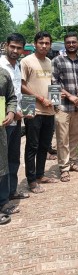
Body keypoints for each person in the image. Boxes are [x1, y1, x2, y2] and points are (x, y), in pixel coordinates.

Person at [21, 31, 56, 193]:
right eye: (41, 43)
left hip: (48, 110)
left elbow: (50, 84)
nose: (44, 46)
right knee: (32, 145)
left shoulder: (49, 62)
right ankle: (31, 180)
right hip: (31, 107)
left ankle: (40, 175)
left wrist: (55, 102)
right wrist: (41, 99)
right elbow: (22, 85)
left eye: (47, 43)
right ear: (35, 44)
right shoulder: (27, 61)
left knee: (44, 145)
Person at [51, 32, 78, 182]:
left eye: (74, 42)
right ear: (65, 44)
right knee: (62, 139)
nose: (71, 45)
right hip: (62, 107)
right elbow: (54, 83)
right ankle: (64, 168)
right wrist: (69, 96)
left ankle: (73, 162)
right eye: (68, 42)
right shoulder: (57, 61)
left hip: (77, 107)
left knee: (75, 136)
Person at [0, 33, 30, 202]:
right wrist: (10, 112)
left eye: (19, 48)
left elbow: (16, 94)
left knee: (13, 159)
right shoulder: (0, 67)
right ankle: (3, 199)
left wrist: (23, 111)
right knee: (2, 162)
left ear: (22, 50)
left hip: (17, 120)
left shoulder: (17, 66)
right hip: (3, 122)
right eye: (12, 47)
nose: (15, 50)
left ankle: (11, 191)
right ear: (6, 45)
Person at [0, 50, 19, 219]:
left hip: (1, 129)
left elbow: (12, 98)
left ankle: (4, 200)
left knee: (3, 163)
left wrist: (11, 112)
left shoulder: (3, 74)